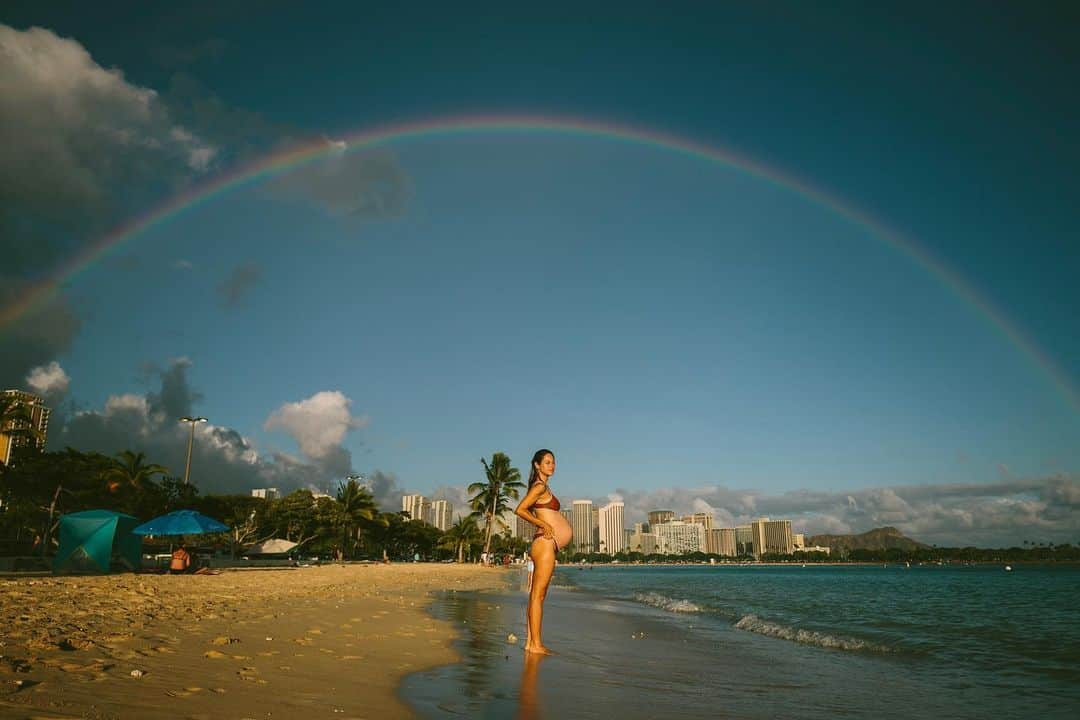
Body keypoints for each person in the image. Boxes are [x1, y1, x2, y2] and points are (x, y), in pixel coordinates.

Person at [514, 449, 572, 655]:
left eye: (553, 462)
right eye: (547, 462)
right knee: (538, 596)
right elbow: (520, 509)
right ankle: (536, 644)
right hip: (545, 545)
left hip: (546, 545)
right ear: (537, 465)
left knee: (537, 595)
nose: (552, 465)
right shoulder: (539, 486)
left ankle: (531, 642)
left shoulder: (541, 486)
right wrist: (542, 524)